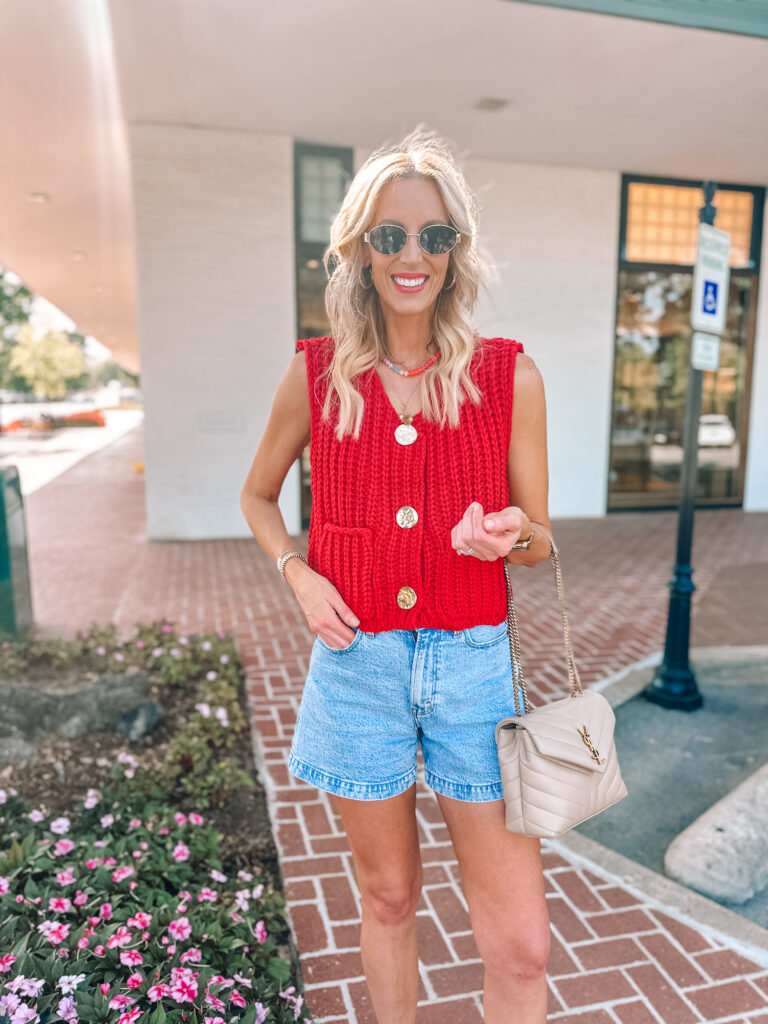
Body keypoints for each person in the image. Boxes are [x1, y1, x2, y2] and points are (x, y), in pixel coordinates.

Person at [240, 126, 552, 1024]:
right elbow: (259, 496)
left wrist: (508, 535)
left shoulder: (509, 377)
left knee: (522, 946)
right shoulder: (316, 376)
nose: (412, 255)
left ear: (457, 253)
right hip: (359, 671)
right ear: (356, 249)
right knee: (387, 901)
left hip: (472, 672)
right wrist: (298, 573)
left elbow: (539, 541)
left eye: (434, 236)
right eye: (390, 235)